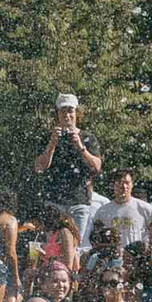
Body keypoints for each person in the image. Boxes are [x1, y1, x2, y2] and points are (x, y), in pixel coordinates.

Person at [31, 94, 101, 232]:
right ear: (58, 114)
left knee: (77, 245)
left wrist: (80, 146)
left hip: (79, 200)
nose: (67, 115)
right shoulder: (48, 137)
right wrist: (52, 144)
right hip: (53, 201)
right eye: (63, 111)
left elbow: (97, 167)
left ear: (76, 113)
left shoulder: (87, 137)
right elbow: (39, 167)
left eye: (70, 110)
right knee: (53, 245)